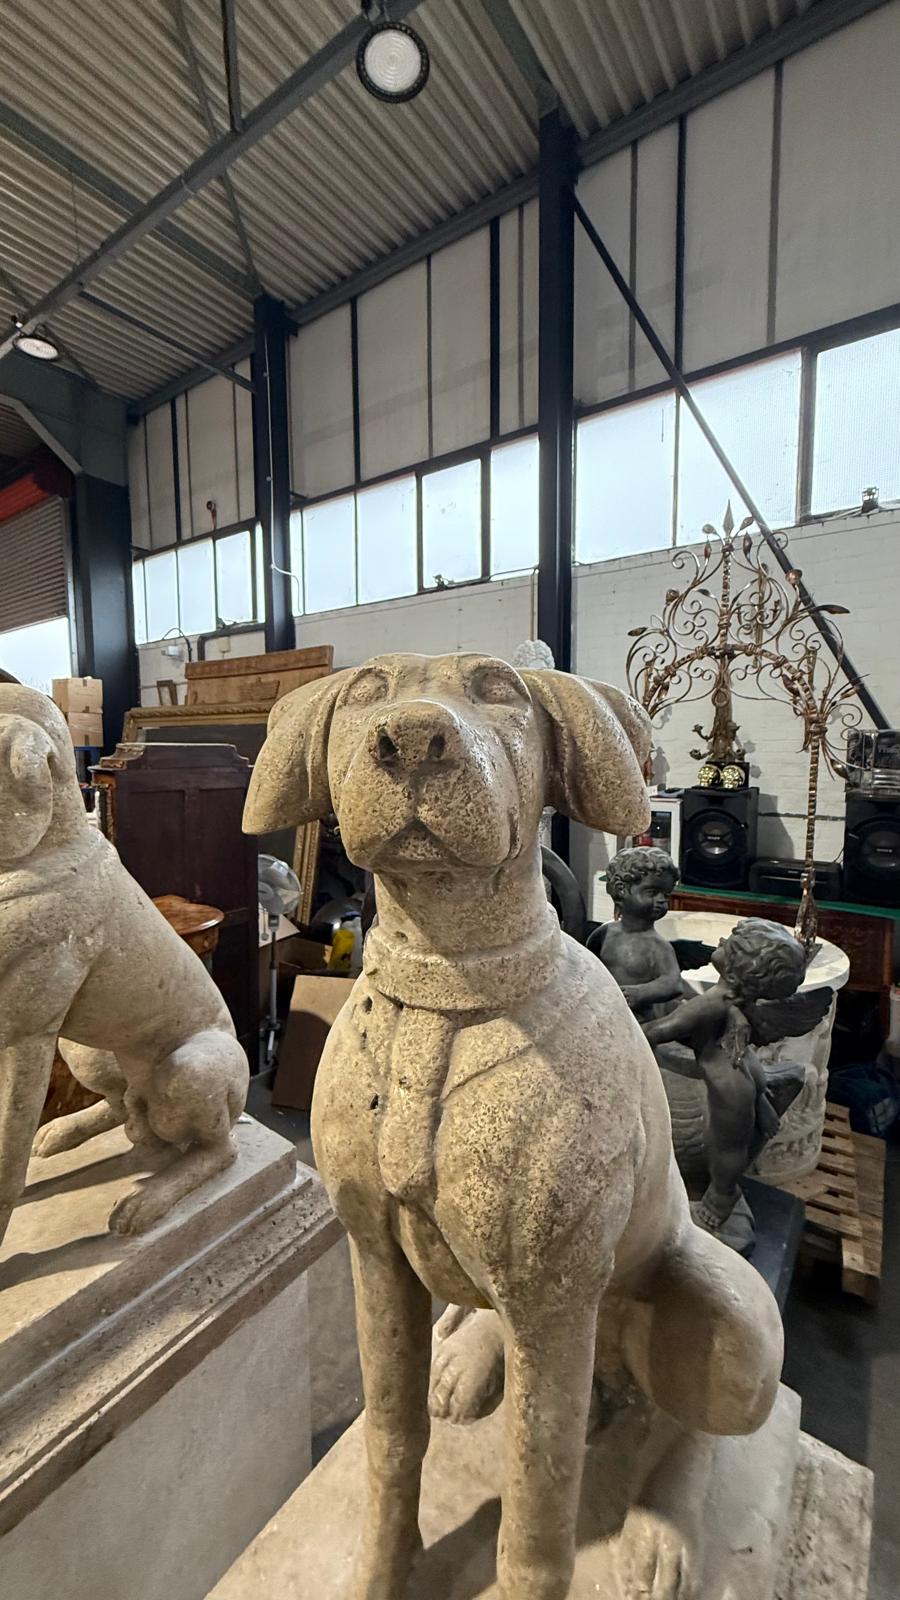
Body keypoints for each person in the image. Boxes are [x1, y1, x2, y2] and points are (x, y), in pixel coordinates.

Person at [643, 919, 810, 1245]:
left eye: (728, 942)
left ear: (739, 967)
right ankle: (761, 1106)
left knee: (727, 1150)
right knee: (734, 1140)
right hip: (744, 1072)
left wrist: (622, 1020)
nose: (719, 939)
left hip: (727, 1087)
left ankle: (720, 1200)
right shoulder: (734, 1002)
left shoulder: (714, 1000)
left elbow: (660, 1031)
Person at [586, 845, 684, 1021]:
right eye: (652, 892)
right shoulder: (604, 933)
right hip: (601, 1013)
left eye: (666, 895)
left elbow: (673, 983)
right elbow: (586, 965)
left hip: (637, 1021)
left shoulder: (657, 945)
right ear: (622, 890)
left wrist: (640, 993)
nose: (661, 900)